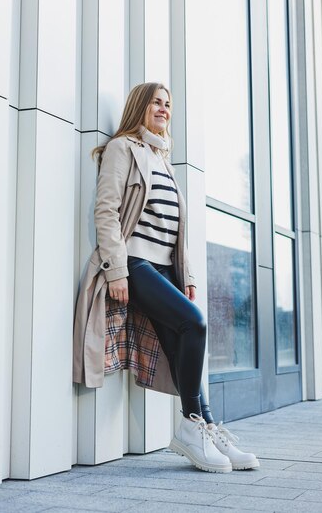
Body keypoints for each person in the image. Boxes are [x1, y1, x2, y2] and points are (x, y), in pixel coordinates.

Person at [73, 82, 260, 473]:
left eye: (168, 104)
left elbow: (177, 228)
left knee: (182, 342)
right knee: (195, 324)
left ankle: (206, 428)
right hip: (136, 264)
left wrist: (185, 275)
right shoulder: (122, 148)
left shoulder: (164, 159)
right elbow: (106, 211)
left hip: (165, 269)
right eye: (156, 102)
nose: (163, 109)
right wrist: (117, 269)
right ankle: (193, 429)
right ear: (140, 106)